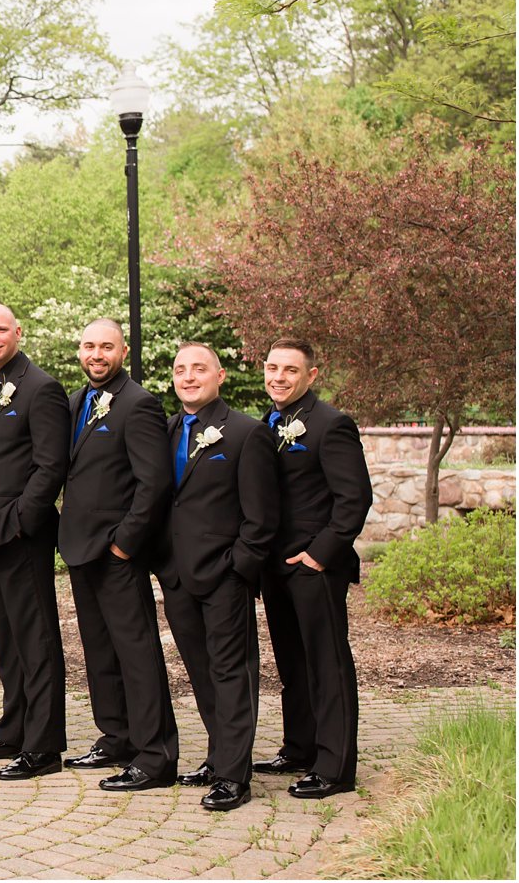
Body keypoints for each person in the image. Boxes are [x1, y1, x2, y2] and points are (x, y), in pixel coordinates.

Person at [155, 342, 279, 811]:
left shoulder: (247, 433)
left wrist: (238, 569)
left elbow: (262, 517)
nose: (189, 377)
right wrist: (164, 567)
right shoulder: (165, 431)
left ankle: (234, 775)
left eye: (199, 369)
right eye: (181, 370)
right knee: (201, 673)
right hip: (178, 577)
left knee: (232, 673)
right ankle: (216, 755)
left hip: (225, 576)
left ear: (220, 375)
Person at [58, 319, 178, 793]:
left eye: (106, 346)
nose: (96, 353)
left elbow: (154, 483)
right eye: (89, 345)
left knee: (137, 653)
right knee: (99, 650)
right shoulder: (74, 404)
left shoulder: (139, 404)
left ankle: (156, 755)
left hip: (117, 551)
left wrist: (125, 542)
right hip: (80, 549)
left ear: (123, 351)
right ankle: (117, 736)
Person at [254, 338, 372, 800]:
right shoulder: (269, 422)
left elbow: (354, 499)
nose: (278, 377)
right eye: (272, 368)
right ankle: (299, 747)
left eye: (289, 370)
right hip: (275, 566)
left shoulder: (332, 424)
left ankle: (335, 767)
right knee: (293, 665)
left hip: (314, 566)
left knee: (327, 665)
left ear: (311, 376)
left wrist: (320, 554)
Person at [0, 304, 70, 782]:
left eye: (1, 329)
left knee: (36, 638)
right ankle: (14, 728)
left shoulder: (41, 388)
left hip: (20, 533)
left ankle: (43, 746)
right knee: (7, 639)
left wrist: (22, 520)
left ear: (18, 332)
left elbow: (50, 466)